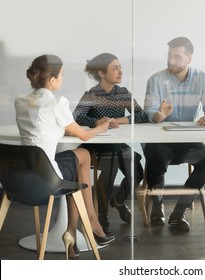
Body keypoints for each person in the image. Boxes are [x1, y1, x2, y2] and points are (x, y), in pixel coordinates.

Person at [14, 54, 115, 260]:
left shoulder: (20, 102)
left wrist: (69, 129)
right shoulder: (57, 103)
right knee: (84, 156)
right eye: (61, 76)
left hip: (20, 180)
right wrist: (102, 127)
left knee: (75, 163)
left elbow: (44, 127)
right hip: (47, 180)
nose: (62, 79)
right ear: (52, 80)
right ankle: (88, 224)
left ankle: (75, 231)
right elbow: (84, 136)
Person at [143, 37, 205, 231]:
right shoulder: (156, 80)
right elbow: (149, 112)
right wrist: (159, 115)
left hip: (187, 140)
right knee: (156, 157)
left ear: (189, 58)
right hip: (160, 139)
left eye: (177, 56)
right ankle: (157, 205)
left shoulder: (203, 79)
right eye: (169, 55)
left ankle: (179, 211)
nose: (171, 61)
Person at [73, 53, 149, 235]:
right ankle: (102, 215)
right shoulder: (92, 94)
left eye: (120, 67)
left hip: (116, 144)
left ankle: (119, 200)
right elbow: (76, 117)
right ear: (101, 72)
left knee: (137, 170)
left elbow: (142, 115)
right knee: (110, 165)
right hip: (96, 145)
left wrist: (118, 120)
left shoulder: (122, 93)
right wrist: (98, 122)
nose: (120, 71)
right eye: (115, 68)